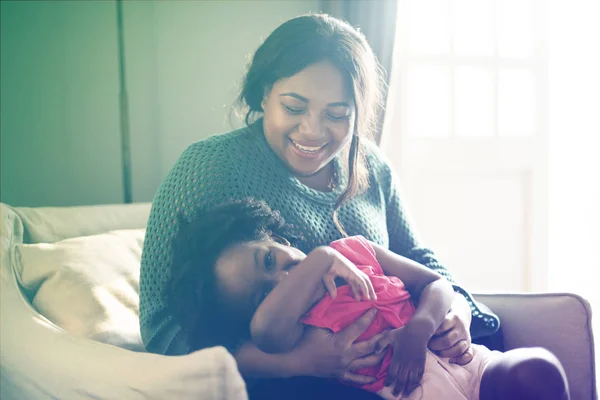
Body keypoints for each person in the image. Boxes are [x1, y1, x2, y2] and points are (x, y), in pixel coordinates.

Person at [139, 13, 569, 399]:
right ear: (264, 92)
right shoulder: (209, 167)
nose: (313, 130)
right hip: (296, 384)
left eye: (338, 113)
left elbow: (420, 261)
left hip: (418, 355)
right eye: (294, 106)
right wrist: (298, 362)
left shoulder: (371, 167)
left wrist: (455, 311)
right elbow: (163, 330)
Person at [167, 198, 568, 400]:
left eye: (270, 258)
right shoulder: (285, 334)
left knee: (536, 369)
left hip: (465, 363)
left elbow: (437, 284)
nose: (283, 277)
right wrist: (322, 258)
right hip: (412, 393)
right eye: (265, 293)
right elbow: (264, 330)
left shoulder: (358, 250)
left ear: (278, 238)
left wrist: (420, 328)